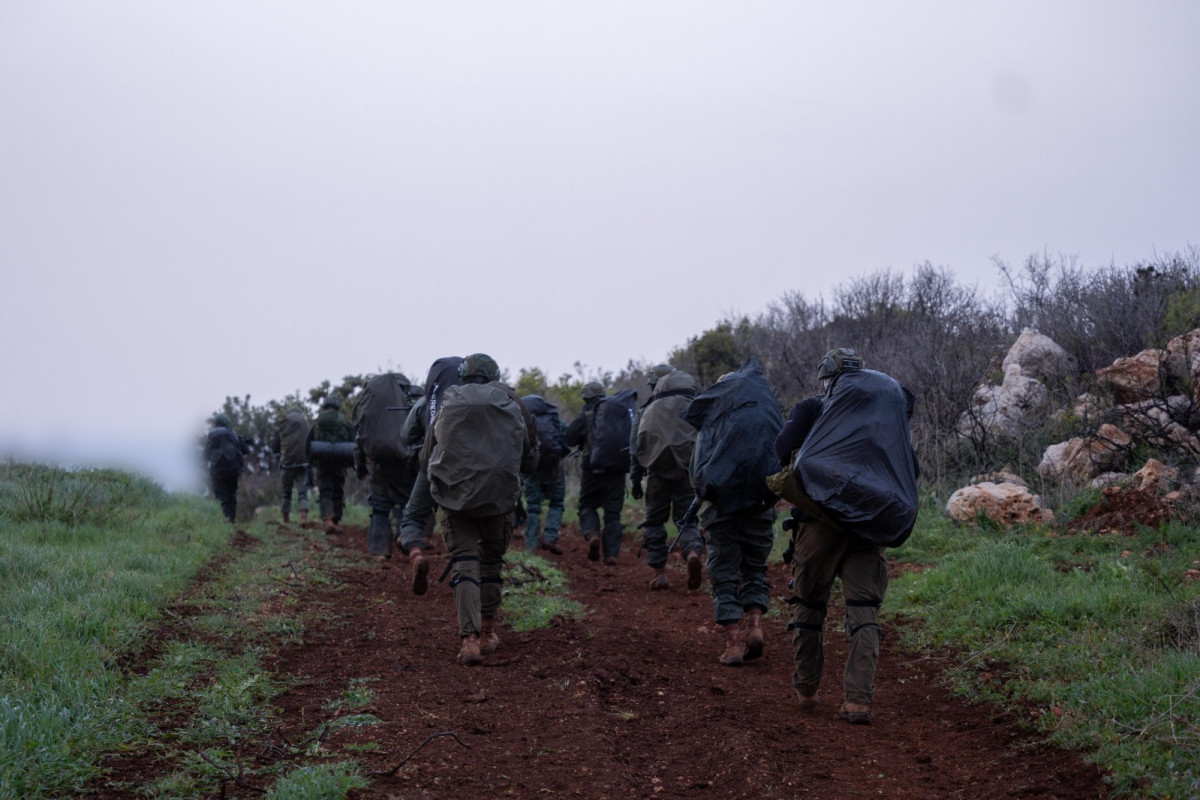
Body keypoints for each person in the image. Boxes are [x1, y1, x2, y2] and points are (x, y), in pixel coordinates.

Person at [773, 347, 910, 725]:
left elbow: (781, 449)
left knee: (809, 603)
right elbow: (908, 468)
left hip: (819, 525)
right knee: (864, 611)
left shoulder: (812, 408)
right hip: (868, 525)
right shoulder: (885, 416)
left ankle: (807, 690)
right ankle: (858, 701)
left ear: (826, 378)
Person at [422, 353, 539, 665]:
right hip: (500, 500)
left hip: (455, 500)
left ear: (463, 375)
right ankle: (487, 633)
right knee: (490, 563)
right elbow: (530, 459)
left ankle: (469, 640)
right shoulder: (513, 402)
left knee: (465, 563)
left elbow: (425, 457)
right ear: (495, 376)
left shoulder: (450, 401)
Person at [681, 360, 781, 667]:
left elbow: (699, 476)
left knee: (724, 576)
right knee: (754, 568)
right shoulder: (768, 418)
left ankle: (734, 642)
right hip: (761, 509)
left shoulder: (712, 423)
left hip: (721, 513)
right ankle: (755, 625)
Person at [631, 366, 704, 591]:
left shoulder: (648, 410)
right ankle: (692, 551)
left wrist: (635, 480)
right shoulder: (695, 404)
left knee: (654, 521)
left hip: (657, 473)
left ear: (654, 384)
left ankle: (659, 572)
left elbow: (636, 447)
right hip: (687, 472)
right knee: (687, 520)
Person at [399, 356, 463, 595]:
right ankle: (464, 575)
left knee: (413, 517)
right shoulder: (474, 403)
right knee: (461, 522)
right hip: (465, 473)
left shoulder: (427, 402)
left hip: (431, 466)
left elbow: (406, 435)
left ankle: (416, 555)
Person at [354, 373, 422, 561]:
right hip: (404, 464)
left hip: (377, 465)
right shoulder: (410, 404)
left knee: (379, 507)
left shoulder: (372, 410)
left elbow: (360, 438)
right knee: (405, 503)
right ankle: (403, 536)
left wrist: (360, 466)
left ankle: (380, 552)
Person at [564, 381, 627, 565]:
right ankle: (611, 555)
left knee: (587, 505)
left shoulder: (586, 415)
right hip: (617, 470)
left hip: (592, 468)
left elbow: (569, 437)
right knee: (613, 513)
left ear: (586, 398)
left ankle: (592, 535)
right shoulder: (617, 413)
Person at [520, 394, 568, 555]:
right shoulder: (553, 420)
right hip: (554, 468)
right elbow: (565, 438)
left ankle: (531, 545)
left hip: (532, 468)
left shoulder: (523, 421)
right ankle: (550, 537)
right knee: (556, 503)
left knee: (533, 508)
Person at [307, 395, 355, 534]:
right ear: (337, 407)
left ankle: (327, 520)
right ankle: (336, 521)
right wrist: (352, 462)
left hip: (322, 462)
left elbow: (308, 442)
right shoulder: (344, 422)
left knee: (325, 491)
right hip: (340, 462)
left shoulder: (318, 422)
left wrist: (310, 462)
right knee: (338, 492)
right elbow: (353, 440)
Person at [271, 406, 311, 525]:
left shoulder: (284, 423)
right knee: (302, 492)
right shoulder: (305, 423)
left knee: (286, 492)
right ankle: (303, 518)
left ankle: (286, 519)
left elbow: (275, 444)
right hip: (303, 464)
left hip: (287, 464)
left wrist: (280, 457)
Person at [205, 412, 246, 523]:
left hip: (217, 470)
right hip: (233, 469)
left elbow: (206, 454)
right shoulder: (232, 433)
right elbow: (243, 450)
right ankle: (232, 520)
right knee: (232, 494)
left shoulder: (211, 435)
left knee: (221, 496)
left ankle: (224, 520)